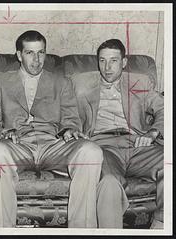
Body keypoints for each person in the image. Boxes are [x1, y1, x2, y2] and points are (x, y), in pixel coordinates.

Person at [0, 30, 125, 228]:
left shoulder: (61, 81)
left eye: (41, 53)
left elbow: (71, 118)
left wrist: (68, 129)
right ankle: (3, 230)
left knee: (90, 150)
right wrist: (3, 132)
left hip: (53, 144)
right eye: (30, 53)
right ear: (19, 55)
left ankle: (81, 231)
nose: (36, 60)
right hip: (17, 144)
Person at [70, 39, 164, 229]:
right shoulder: (80, 82)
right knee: (109, 183)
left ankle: (162, 224)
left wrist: (153, 133)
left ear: (124, 62)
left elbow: (164, 108)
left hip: (138, 145)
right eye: (102, 61)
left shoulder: (140, 81)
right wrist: (73, 131)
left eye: (113, 61)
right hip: (103, 147)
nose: (107, 67)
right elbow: (64, 112)